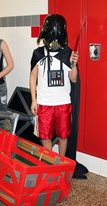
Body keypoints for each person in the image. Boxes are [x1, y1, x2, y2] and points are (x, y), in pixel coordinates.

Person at [29, 14, 79, 156]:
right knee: (45, 136)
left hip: (63, 103)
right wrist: (34, 99)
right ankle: (49, 163)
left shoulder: (67, 53)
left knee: (63, 136)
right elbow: (33, 77)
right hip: (44, 103)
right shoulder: (38, 53)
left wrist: (74, 65)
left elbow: (73, 79)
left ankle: (61, 163)